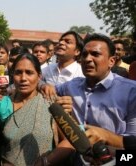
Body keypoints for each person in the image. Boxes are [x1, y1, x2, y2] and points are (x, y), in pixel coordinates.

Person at [55, 33, 136, 165]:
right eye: (84, 54)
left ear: (112, 61)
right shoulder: (71, 86)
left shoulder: (132, 92)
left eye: (95, 54)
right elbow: (46, 90)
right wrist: (48, 90)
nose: (87, 59)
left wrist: (106, 137)